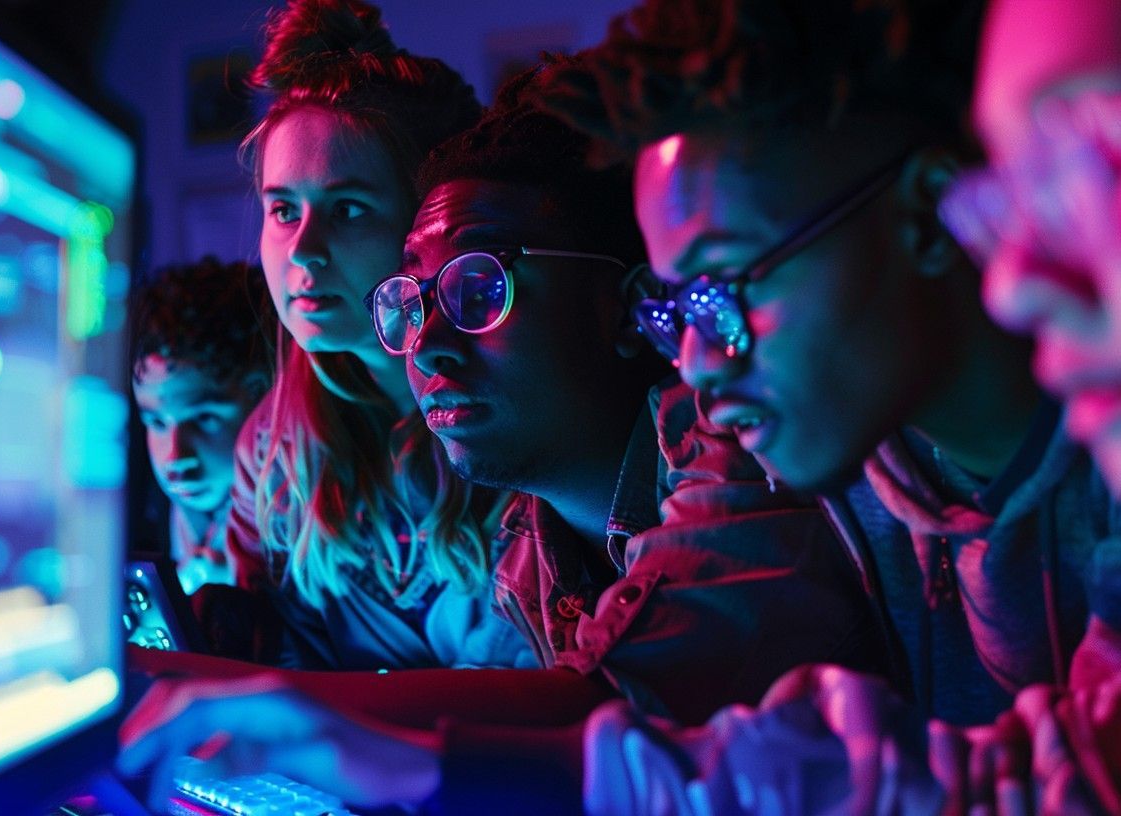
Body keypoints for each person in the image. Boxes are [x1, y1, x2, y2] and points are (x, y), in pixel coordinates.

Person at [119, 66, 891, 814]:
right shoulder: (529, 544)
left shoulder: (733, 440)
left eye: (480, 287)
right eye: (414, 299)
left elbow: (603, 713)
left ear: (627, 308)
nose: (427, 345)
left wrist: (244, 701)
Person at [583, 0, 1121, 812]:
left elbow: (1091, 778)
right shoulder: (813, 424)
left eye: (1098, 149)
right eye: (676, 310)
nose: (1014, 279)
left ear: (929, 213)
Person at [212, 0, 531, 671]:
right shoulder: (272, 452)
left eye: (349, 209)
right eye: (282, 209)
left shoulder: (524, 415)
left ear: (426, 227)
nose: (304, 251)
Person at [130, 257, 272, 594]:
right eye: (157, 422)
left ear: (264, 397)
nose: (175, 456)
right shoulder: (140, 515)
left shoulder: (303, 531)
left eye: (205, 418)